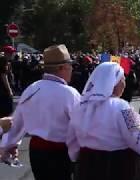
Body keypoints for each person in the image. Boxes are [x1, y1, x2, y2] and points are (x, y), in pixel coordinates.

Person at [67, 62, 140, 180]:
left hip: (87, 169)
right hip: (116, 169)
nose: (124, 84)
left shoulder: (81, 106)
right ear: (113, 83)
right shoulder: (122, 107)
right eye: (122, 79)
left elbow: (72, 144)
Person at [0, 44, 81, 180]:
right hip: (61, 153)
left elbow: (17, 121)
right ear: (61, 68)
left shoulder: (32, 89)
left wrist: (8, 144)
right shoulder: (70, 94)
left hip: (37, 152)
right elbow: (80, 126)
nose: (72, 69)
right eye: (70, 65)